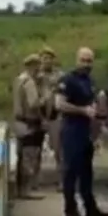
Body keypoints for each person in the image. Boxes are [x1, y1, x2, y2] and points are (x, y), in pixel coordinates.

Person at [53, 47, 108, 216]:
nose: (86, 64)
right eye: (83, 60)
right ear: (77, 60)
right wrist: (82, 110)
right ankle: (70, 211)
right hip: (71, 129)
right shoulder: (67, 80)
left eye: (89, 60)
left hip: (86, 131)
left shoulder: (90, 81)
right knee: (71, 172)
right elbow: (59, 104)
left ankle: (90, 207)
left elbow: (93, 104)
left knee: (86, 172)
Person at [11, 54, 46, 199]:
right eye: (38, 65)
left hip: (19, 123)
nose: (40, 68)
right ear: (34, 65)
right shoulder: (29, 82)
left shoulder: (19, 79)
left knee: (22, 157)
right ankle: (26, 190)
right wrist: (45, 99)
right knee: (29, 158)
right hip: (29, 124)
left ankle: (20, 189)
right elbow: (33, 103)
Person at [37, 47, 63, 186]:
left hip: (54, 115)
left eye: (49, 58)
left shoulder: (59, 76)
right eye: (44, 58)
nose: (46, 61)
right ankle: (34, 180)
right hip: (37, 116)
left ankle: (61, 179)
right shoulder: (36, 77)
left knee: (59, 149)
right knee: (35, 151)